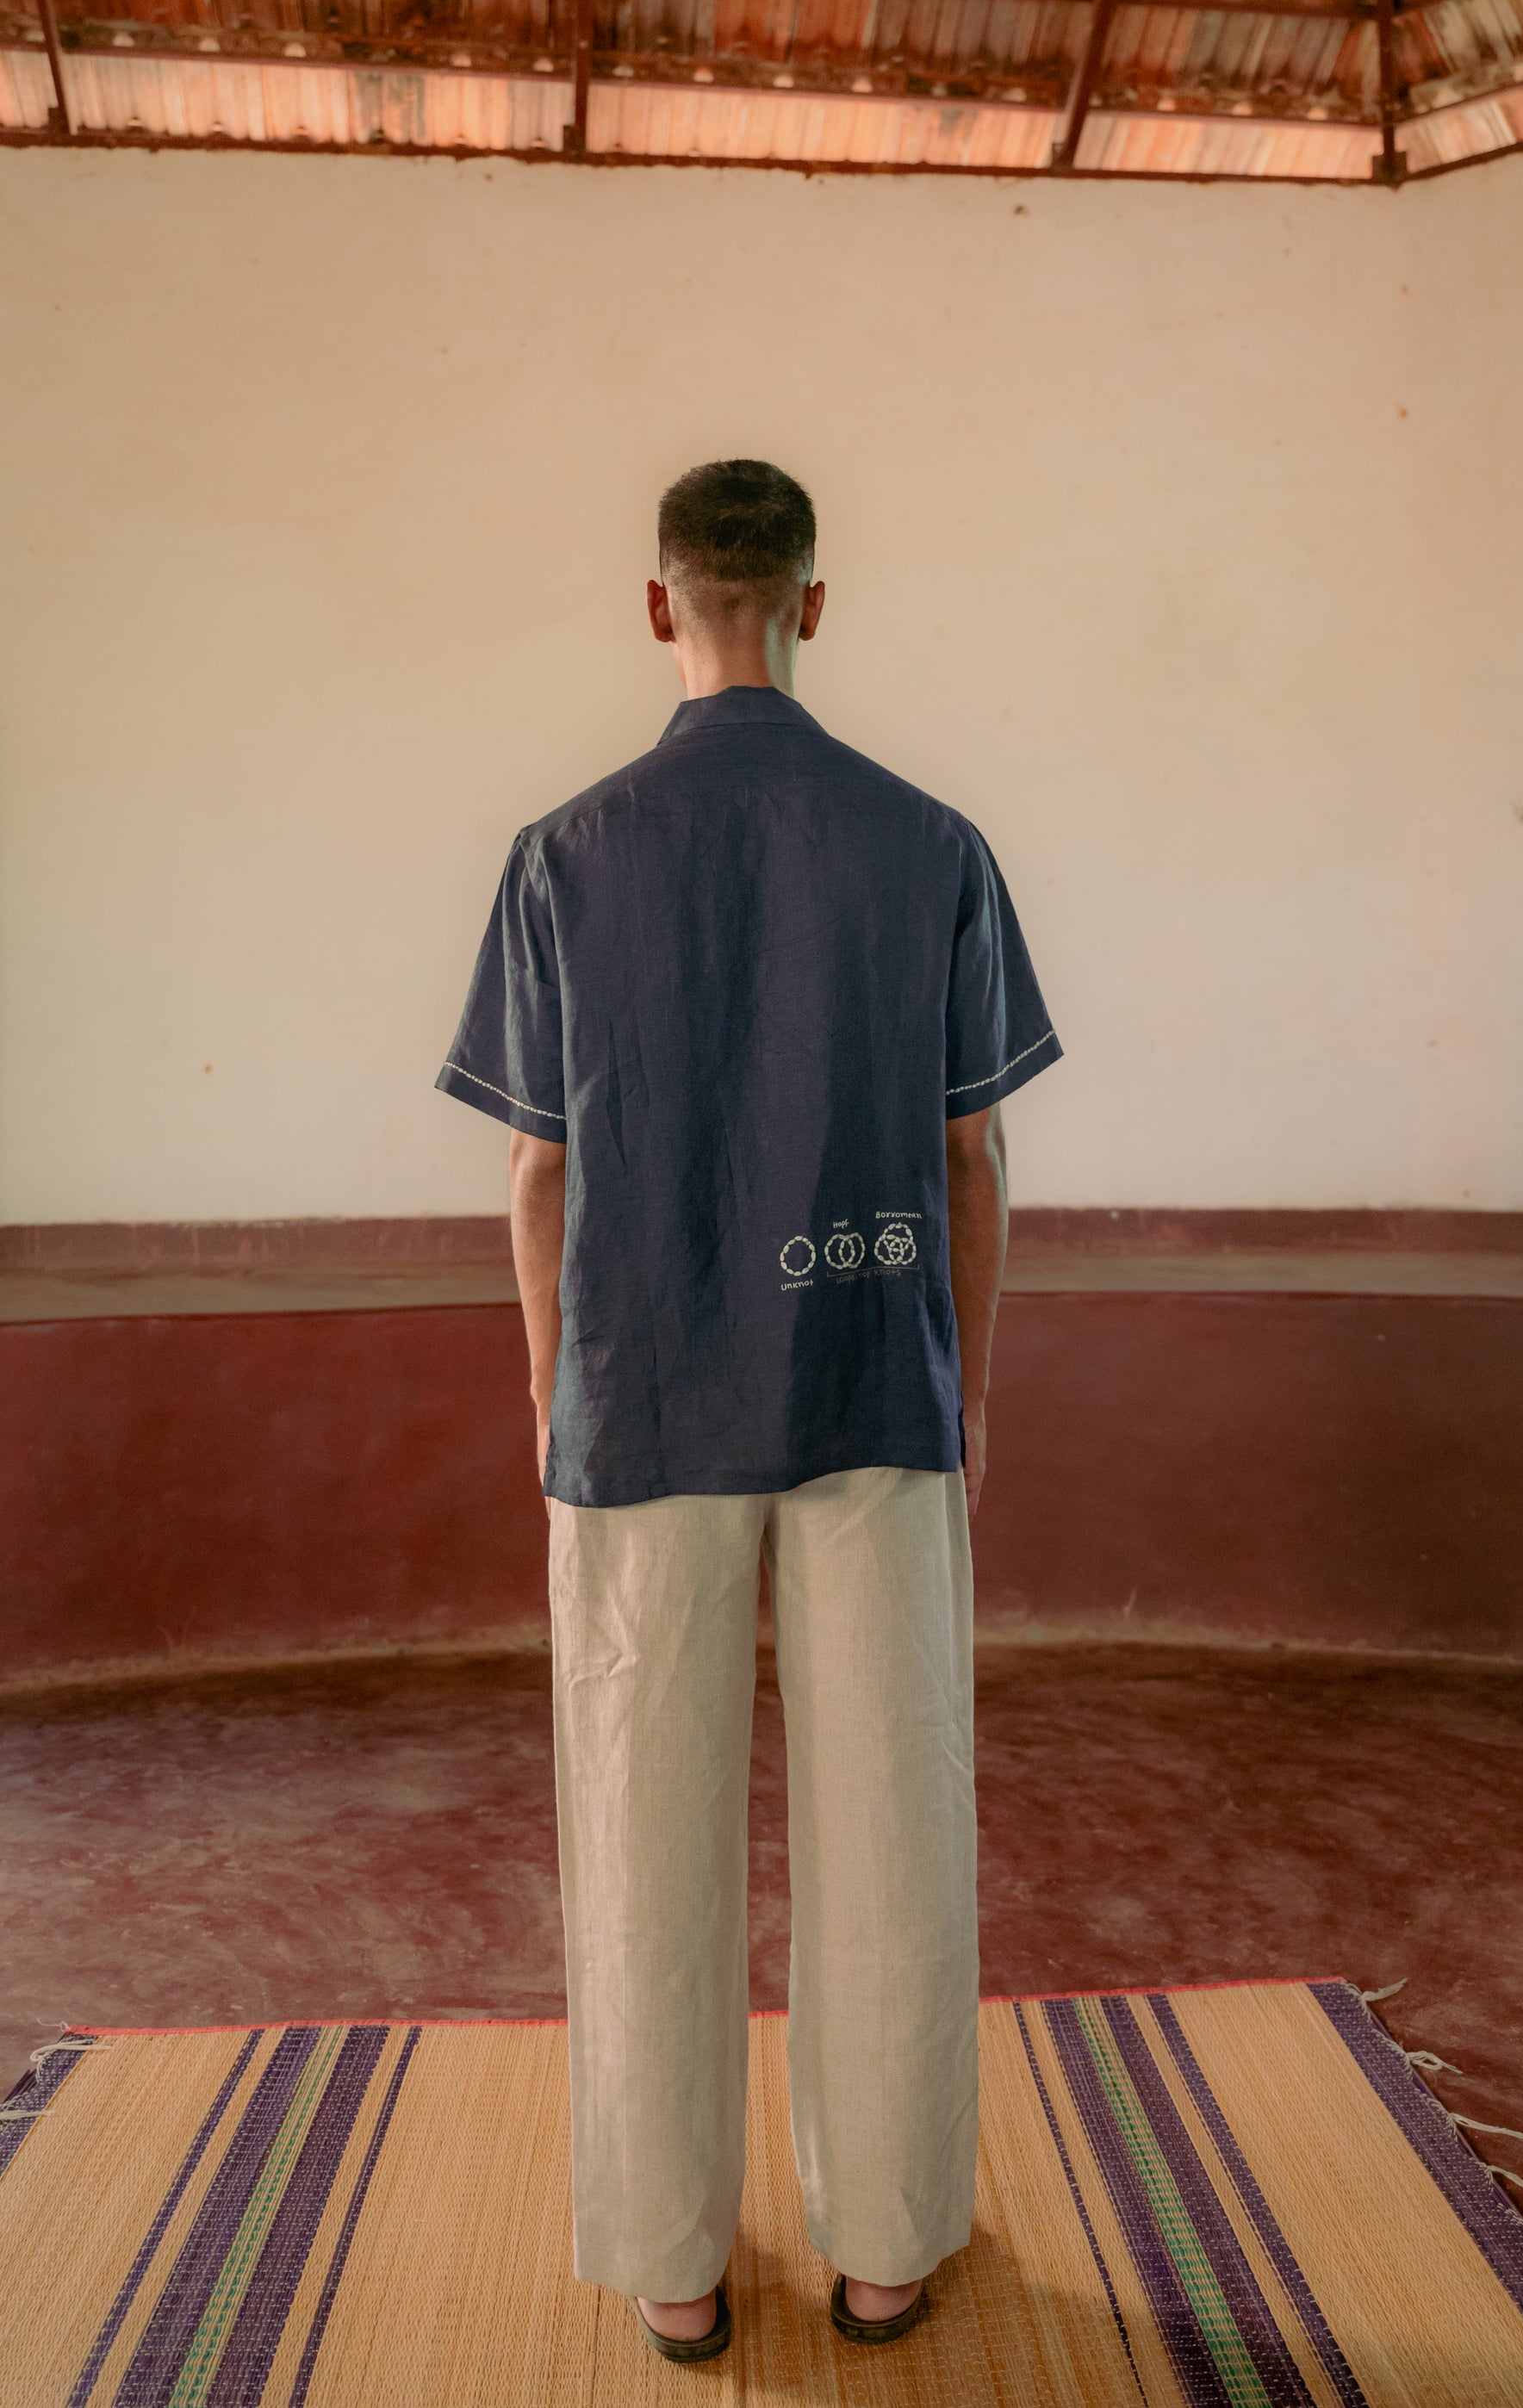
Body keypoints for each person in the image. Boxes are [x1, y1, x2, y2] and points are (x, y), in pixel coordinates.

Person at [437, 460, 1061, 2362]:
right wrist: (961, 1385)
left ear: (657, 607)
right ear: (815, 599)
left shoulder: (564, 852)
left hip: (641, 1400)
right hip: (878, 1373)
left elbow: (540, 1177)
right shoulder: (929, 839)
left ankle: (673, 2262)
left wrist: (559, 1382)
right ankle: (885, 2245)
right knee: (895, 1809)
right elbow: (970, 1150)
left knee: (640, 1823)